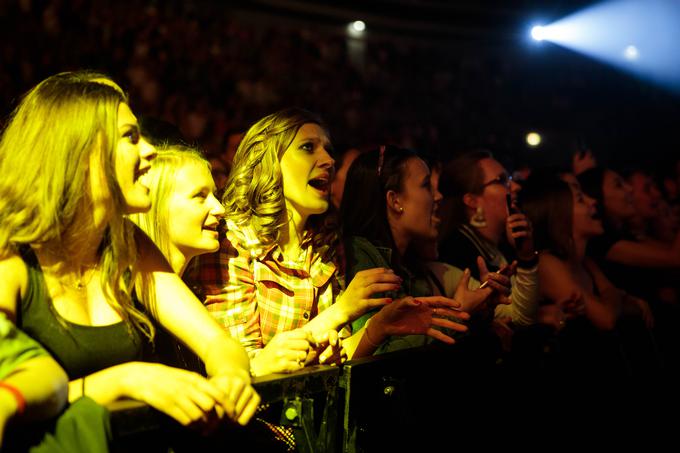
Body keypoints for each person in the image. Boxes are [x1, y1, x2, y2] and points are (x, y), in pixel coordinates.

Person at [0, 72, 260, 444]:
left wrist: (230, 377)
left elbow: (218, 343)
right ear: (79, 150)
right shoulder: (10, 257)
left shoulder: (126, 245)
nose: (150, 151)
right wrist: (125, 380)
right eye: (130, 137)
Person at [185, 108, 465, 375]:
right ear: (270, 160)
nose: (329, 161)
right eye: (308, 147)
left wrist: (377, 329)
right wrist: (341, 310)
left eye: (329, 150)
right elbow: (242, 367)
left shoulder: (327, 248)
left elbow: (337, 358)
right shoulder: (231, 243)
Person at [340, 145, 509, 354]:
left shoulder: (410, 264)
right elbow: (378, 354)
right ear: (395, 200)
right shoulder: (361, 255)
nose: (438, 196)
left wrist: (481, 311)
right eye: (426, 185)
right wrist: (459, 311)